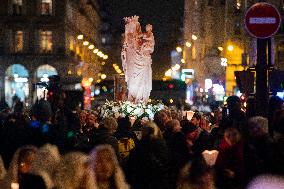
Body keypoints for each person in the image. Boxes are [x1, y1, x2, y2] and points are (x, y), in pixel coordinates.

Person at [121, 16, 155, 103]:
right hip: (133, 61)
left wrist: (142, 46)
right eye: (131, 28)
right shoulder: (131, 40)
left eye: (135, 27)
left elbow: (150, 46)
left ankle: (140, 97)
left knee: (142, 79)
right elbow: (126, 45)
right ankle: (133, 96)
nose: (133, 30)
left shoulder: (147, 36)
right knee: (132, 80)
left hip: (143, 61)